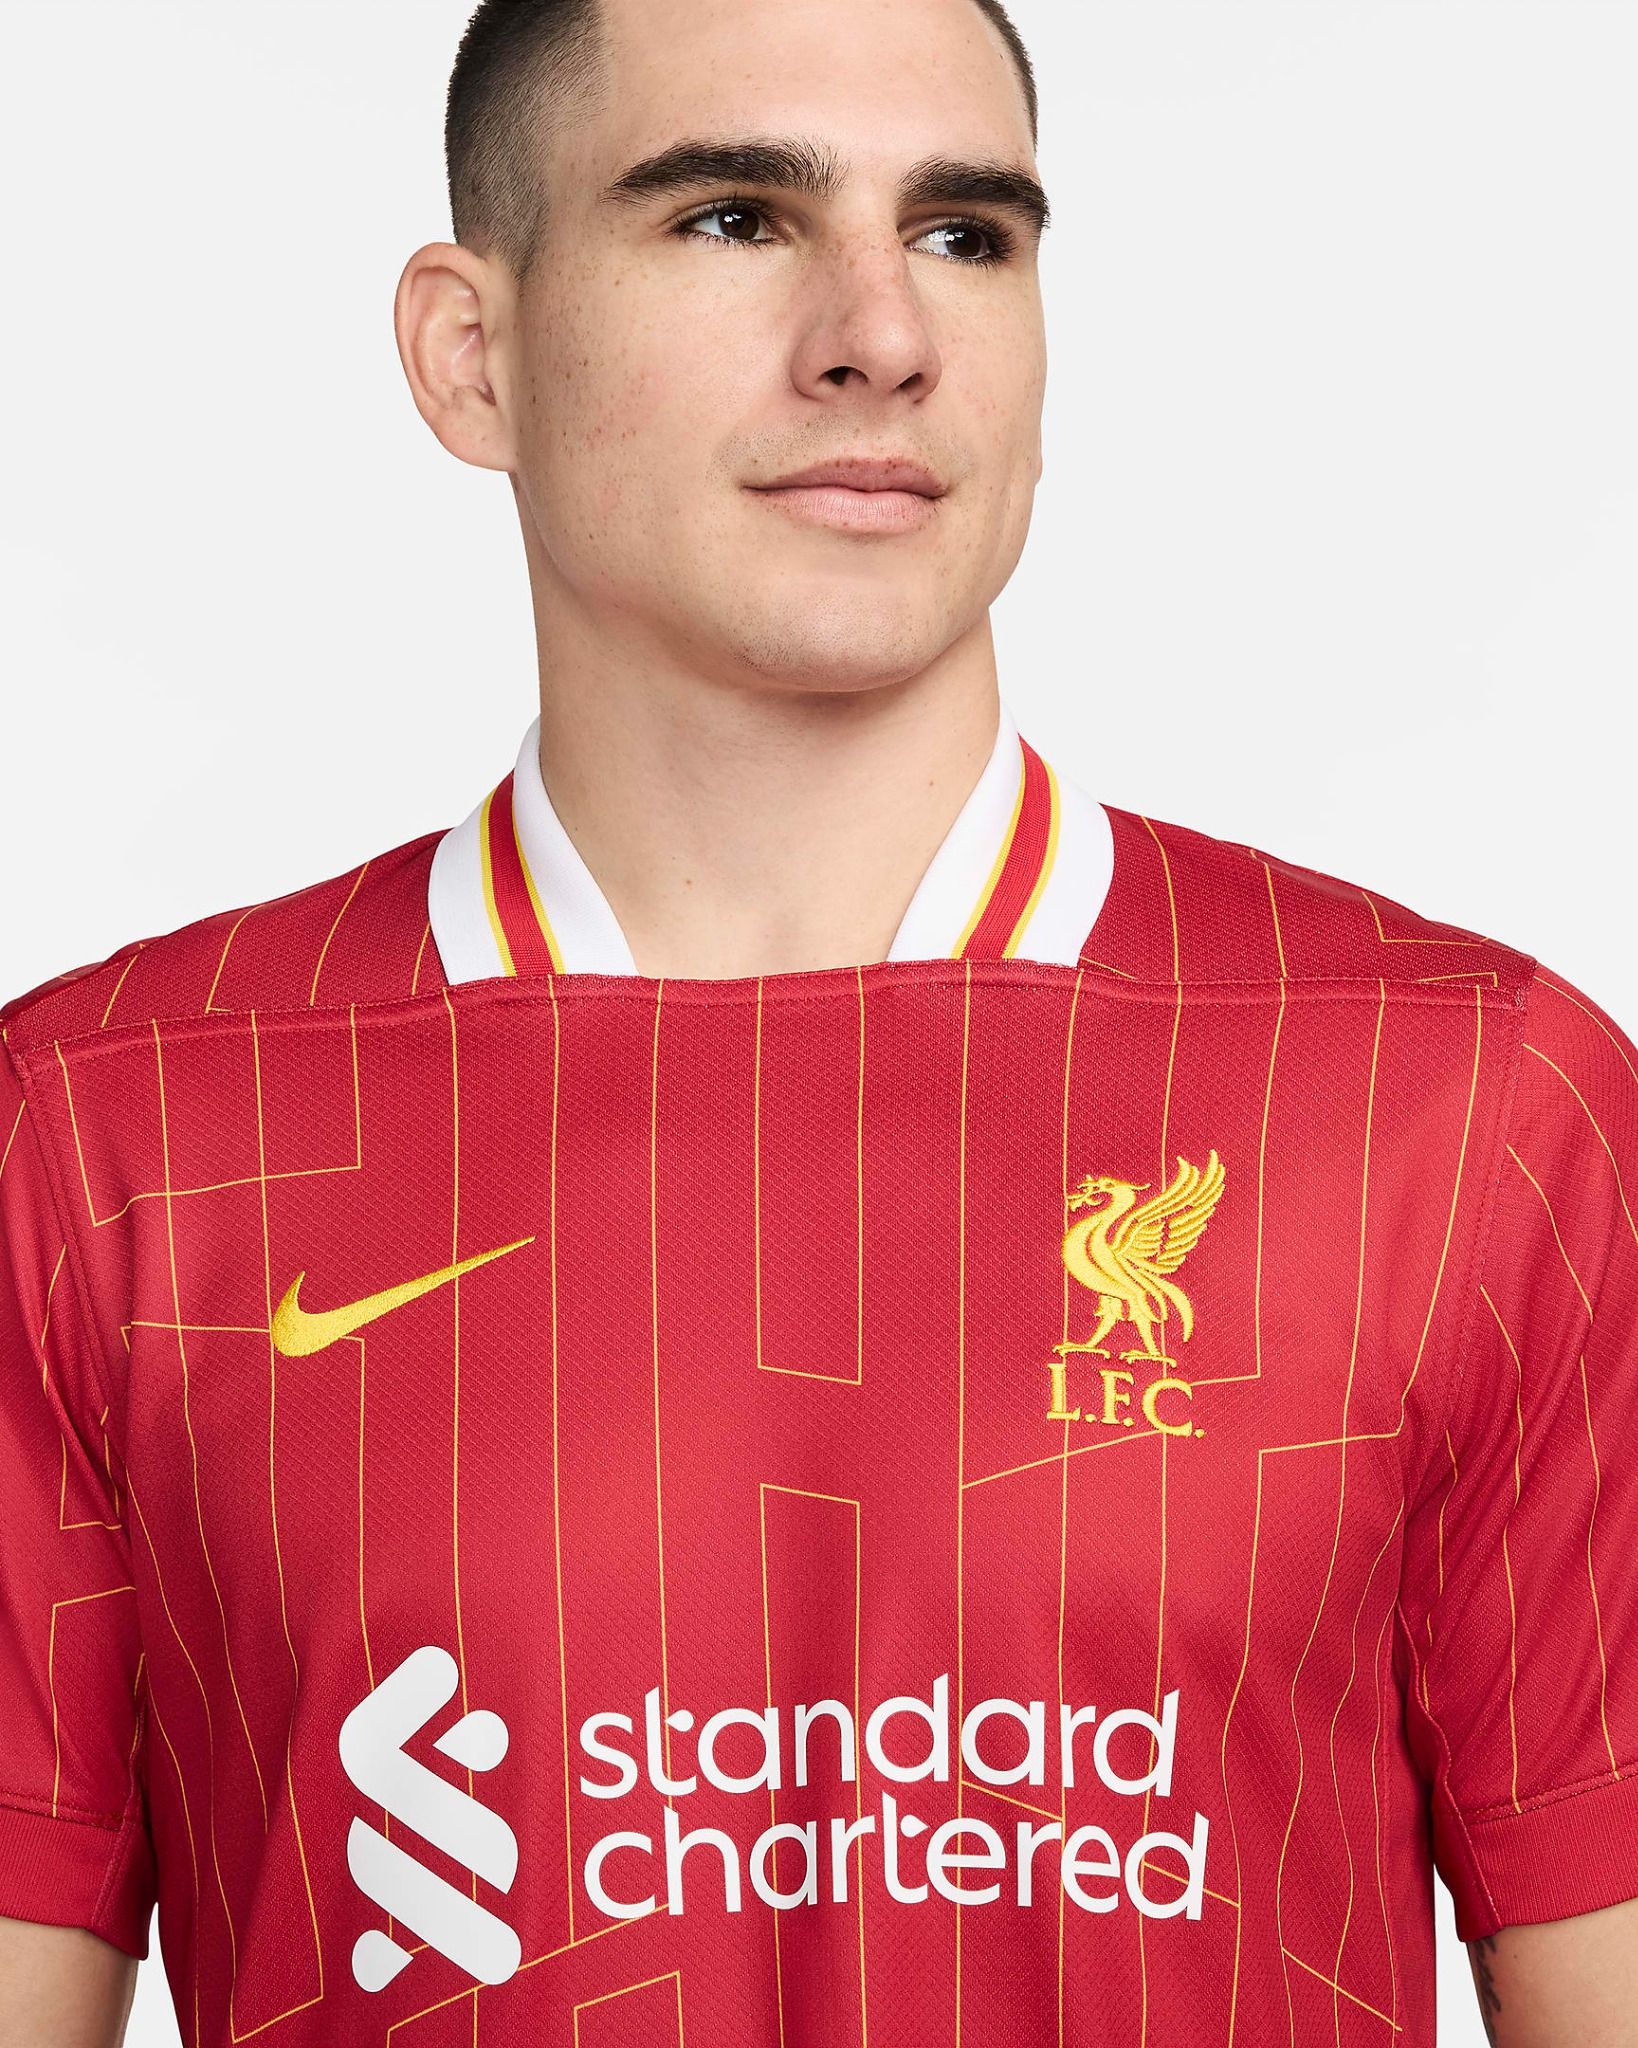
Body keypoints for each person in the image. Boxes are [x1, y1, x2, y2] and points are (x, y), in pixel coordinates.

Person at [2, 0, 1635, 2041]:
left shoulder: (1462, 1108)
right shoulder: (116, 1138)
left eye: (964, 234)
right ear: (471, 353)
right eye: (733, 218)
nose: (883, 333)